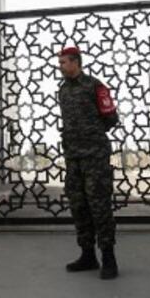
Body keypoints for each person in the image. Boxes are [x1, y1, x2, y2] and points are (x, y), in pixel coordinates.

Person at [56, 46, 119, 279]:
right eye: (60, 63)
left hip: (94, 156)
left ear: (75, 62)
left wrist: (91, 135)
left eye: (64, 62)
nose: (61, 66)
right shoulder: (63, 90)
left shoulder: (94, 86)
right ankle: (88, 255)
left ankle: (109, 258)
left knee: (99, 206)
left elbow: (111, 117)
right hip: (73, 157)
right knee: (79, 206)